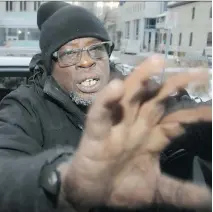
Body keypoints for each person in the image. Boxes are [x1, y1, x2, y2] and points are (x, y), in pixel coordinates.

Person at [0, 2, 211, 212]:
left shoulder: (132, 92)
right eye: (70, 53)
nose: (86, 62)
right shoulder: (25, 107)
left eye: (95, 49)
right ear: (50, 66)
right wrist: (63, 181)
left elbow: (190, 116)